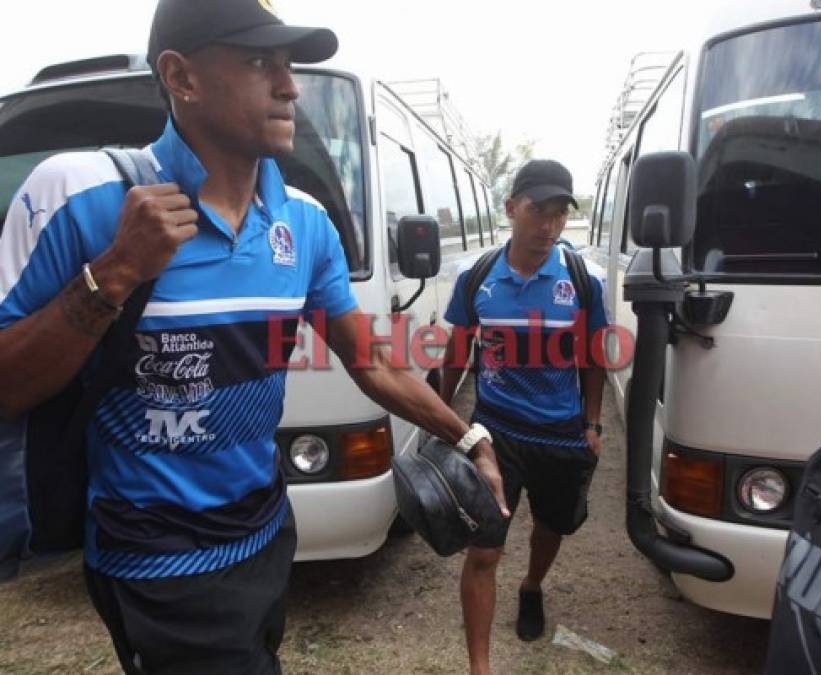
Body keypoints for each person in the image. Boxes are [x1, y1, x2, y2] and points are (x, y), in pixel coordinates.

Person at [0, 1, 507, 672]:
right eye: (259, 61)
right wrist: (115, 272)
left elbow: (371, 365)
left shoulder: (305, 222)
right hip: (156, 552)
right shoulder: (79, 193)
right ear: (182, 77)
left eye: (289, 64)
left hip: (267, 530)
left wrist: (466, 435)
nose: (290, 85)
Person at [440, 159, 609, 675]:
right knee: (483, 552)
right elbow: (455, 352)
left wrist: (593, 424)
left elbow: (594, 356)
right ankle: (480, 667)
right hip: (496, 432)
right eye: (539, 211)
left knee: (549, 526)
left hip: (560, 433)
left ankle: (532, 585)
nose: (549, 225)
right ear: (511, 208)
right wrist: (443, 417)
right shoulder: (477, 277)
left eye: (560, 214)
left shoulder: (583, 280)